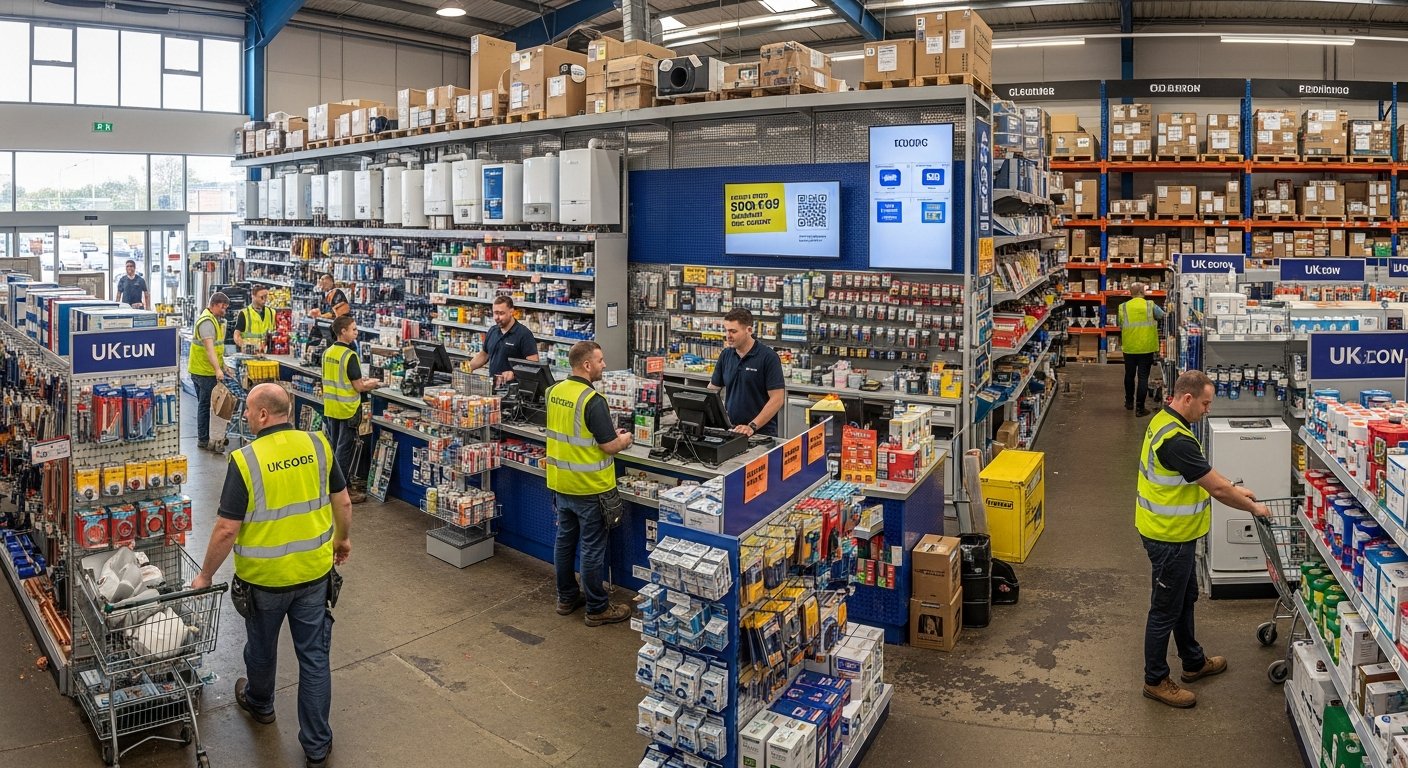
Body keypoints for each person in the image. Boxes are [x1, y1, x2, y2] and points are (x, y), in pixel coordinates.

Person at [191, 383, 351, 768]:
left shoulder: (246, 460)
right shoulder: (318, 445)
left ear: (263, 415)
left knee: (261, 649)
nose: (244, 415)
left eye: (248, 409)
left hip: (264, 582)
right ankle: (317, 747)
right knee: (314, 660)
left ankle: (261, 704)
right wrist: (342, 541)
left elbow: (226, 529)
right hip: (313, 575)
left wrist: (205, 575)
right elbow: (343, 501)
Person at [1137, 370, 1270, 709]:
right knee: (1165, 609)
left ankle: (1193, 662)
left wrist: (1235, 488)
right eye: (1205, 403)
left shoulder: (1168, 422)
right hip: (1168, 538)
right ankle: (1155, 680)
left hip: (1176, 534)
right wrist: (1253, 508)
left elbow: (1204, 474)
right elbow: (1216, 489)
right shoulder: (1176, 439)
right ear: (1187, 398)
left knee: (1185, 599)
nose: (1208, 409)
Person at [546, 341, 634, 626]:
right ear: (586, 365)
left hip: (561, 483)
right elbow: (608, 446)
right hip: (590, 487)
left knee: (564, 542)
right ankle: (597, 608)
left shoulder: (554, 391)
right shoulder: (592, 400)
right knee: (592, 549)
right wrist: (624, 440)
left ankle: (566, 597)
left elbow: (573, 432)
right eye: (600, 360)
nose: (604, 365)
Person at [322, 315, 380, 504]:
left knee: (335, 448)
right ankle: (341, 491)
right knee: (344, 451)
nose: (356, 332)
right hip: (348, 409)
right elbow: (359, 386)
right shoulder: (350, 355)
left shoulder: (328, 352)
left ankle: (334, 487)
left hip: (331, 408)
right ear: (343, 331)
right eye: (353, 329)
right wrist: (373, 383)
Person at [708, 308, 786, 437]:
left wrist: (752, 426)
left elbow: (777, 399)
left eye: (733, 331)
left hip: (761, 434)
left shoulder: (768, 357)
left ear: (749, 330)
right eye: (726, 330)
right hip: (732, 430)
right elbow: (712, 390)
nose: (728, 336)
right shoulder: (726, 354)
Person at [1117, 283, 1166, 417]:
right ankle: (1140, 408)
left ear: (1131, 293)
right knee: (1143, 377)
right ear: (1141, 292)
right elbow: (1162, 315)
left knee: (1129, 375)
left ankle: (1129, 402)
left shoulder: (1123, 307)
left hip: (1130, 347)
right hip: (1146, 347)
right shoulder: (1150, 305)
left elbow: (1120, 324)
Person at [189, 292, 230, 452]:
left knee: (204, 404)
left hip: (203, 369)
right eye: (222, 307)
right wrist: (218, 369)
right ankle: (204, 439)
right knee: (205, 405)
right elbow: (209, 349)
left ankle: (206, 438)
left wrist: (223, 365)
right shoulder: (207, 322)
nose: (224, 311)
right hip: (204, 371)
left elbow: (218, 348)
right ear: (213, 305)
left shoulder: (214, 320)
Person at [466, 295, 539, 382]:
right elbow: (484, 354)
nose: (497, 317)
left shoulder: (524, 334)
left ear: (511, 312)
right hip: (494, 384)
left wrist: (514, 373)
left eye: (501, 313)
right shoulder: (492, 331)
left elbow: (533, 364)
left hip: (514, 387)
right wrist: (468, 367)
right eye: (495, 313)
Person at [235, 284, 277, 354]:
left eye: (266, 297)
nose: (264, 300)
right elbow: (236, 336)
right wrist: (246, 347)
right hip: (250, 355)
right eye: (262, 297)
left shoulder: (272, 312)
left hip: (268, 354)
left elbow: (276, 333)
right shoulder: (244, 313)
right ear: (253, 297)